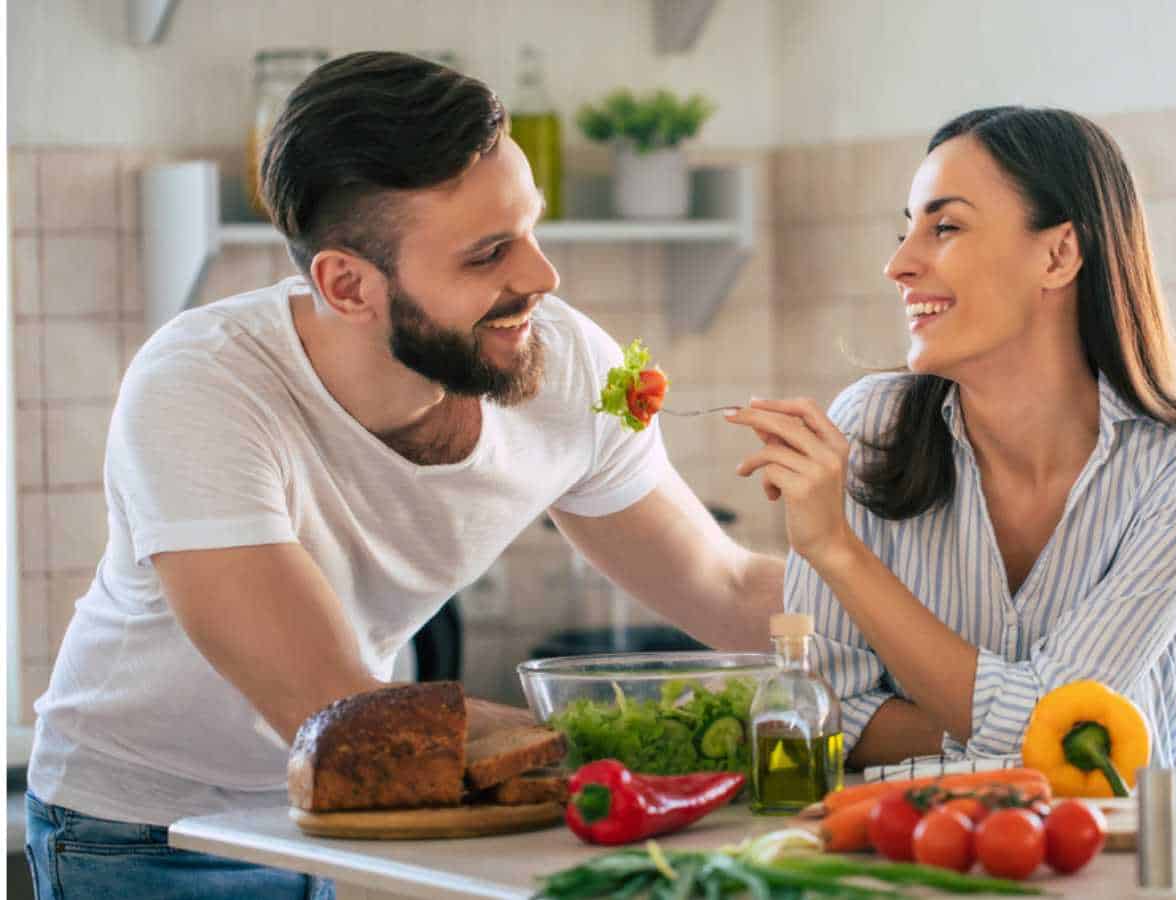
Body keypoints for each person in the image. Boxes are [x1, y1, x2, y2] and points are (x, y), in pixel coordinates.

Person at [25, 52, 783, 899]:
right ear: (347, 285)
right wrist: (657, 744)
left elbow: (726, 587)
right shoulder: (202, 385)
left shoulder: (559, 361)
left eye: (531, 228)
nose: (541, 276)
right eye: (488, 252)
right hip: (148, 834)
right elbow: (334, 708)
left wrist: (933, 648)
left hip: (353, 816)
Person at [727, 106, 1176, 770]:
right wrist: (1011, 732)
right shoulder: (867, 429)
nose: (898, 265)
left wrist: (837, 550)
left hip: (1106, 860)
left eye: (944, 227)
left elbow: (1056, 723)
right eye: (905, 231)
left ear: (1058, 254)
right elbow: (825, 714)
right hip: (905, 855)